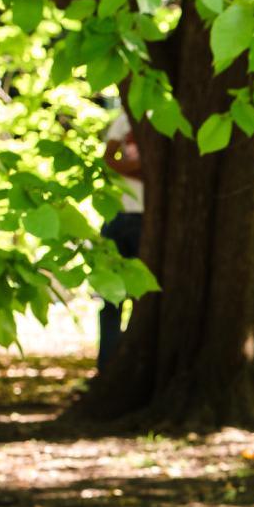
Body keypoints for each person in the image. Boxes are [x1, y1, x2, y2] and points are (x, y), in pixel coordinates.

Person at [97, 108, 145, 373]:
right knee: (111, 296)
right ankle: (108, 365)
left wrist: (133, 170)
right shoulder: (125, 118)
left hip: (146, 216)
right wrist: (136, 169)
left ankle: (135, 363)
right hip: (116, 215)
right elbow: (109, 158)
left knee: (142, 295)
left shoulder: (163, 116)